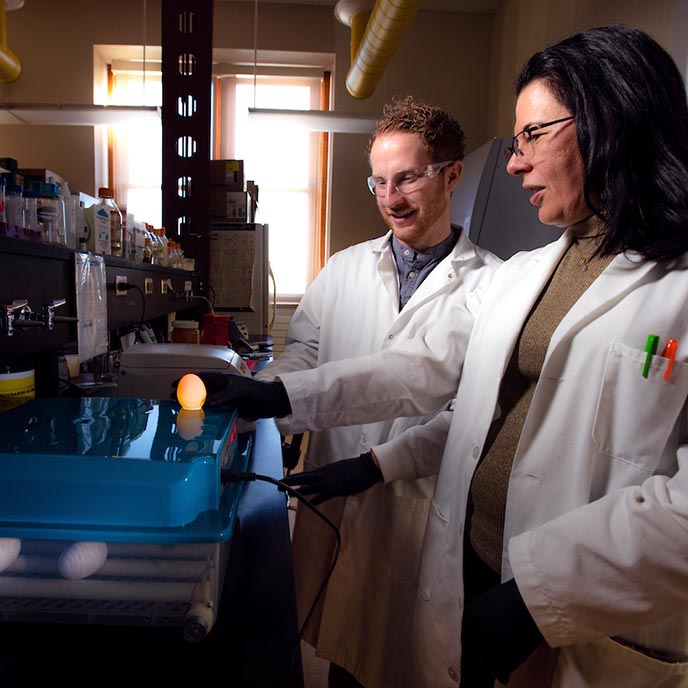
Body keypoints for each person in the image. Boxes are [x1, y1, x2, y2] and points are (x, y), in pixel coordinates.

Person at [284, 24, 688, 688]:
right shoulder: (528, 272)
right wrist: (293, 404)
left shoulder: (673, 285)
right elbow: (461, 398)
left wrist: (539, 594)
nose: (514, 161)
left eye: (532, 136)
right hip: (470, 564)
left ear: (608, 123)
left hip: (573, 603)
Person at [198, 96, 501, 687]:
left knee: (403, 656)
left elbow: (470, 412)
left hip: (419, 501)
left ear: (452, 174)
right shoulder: (343, 269)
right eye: (380, 182)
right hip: (333, 489)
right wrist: (261, 392)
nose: (391, 198)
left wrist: (377, 465)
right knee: (342, 647)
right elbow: (305, 354)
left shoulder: (491, 286)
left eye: (408, 177)